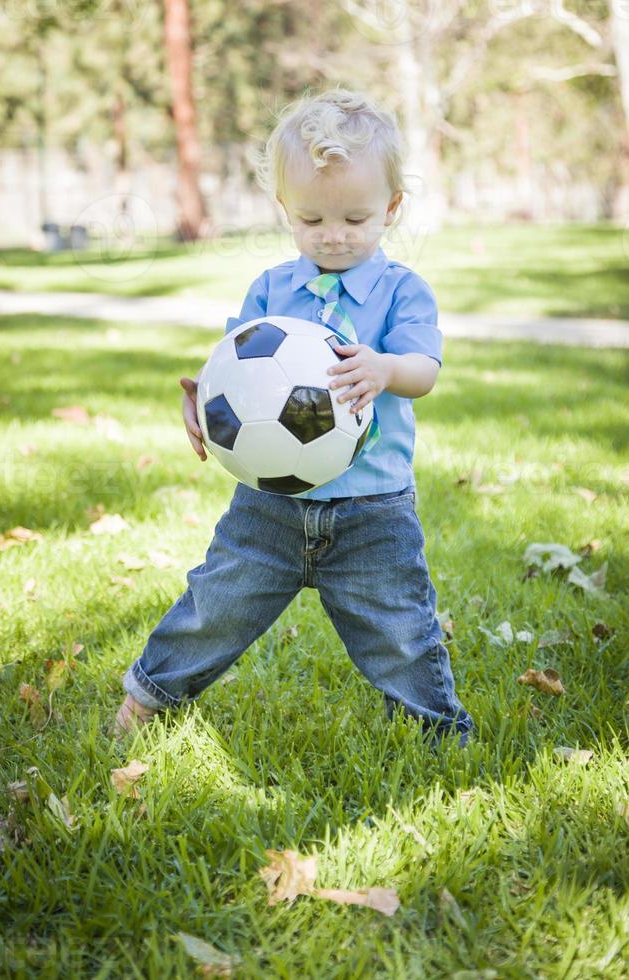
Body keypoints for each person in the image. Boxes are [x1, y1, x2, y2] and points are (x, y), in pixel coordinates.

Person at [115, 87, 474, 746]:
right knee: (214, 607)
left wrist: (386, 369)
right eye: (311, 220)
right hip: (267, 509)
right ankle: (147, 698)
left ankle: (439, 734)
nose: (333, 235)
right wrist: (201, 402)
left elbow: (424, 371)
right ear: (284, 209)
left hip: (372, 512)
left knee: (402, 632)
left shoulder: (401, 292)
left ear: (392, 208)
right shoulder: (270, 290)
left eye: (355, 219)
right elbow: (233, 371)